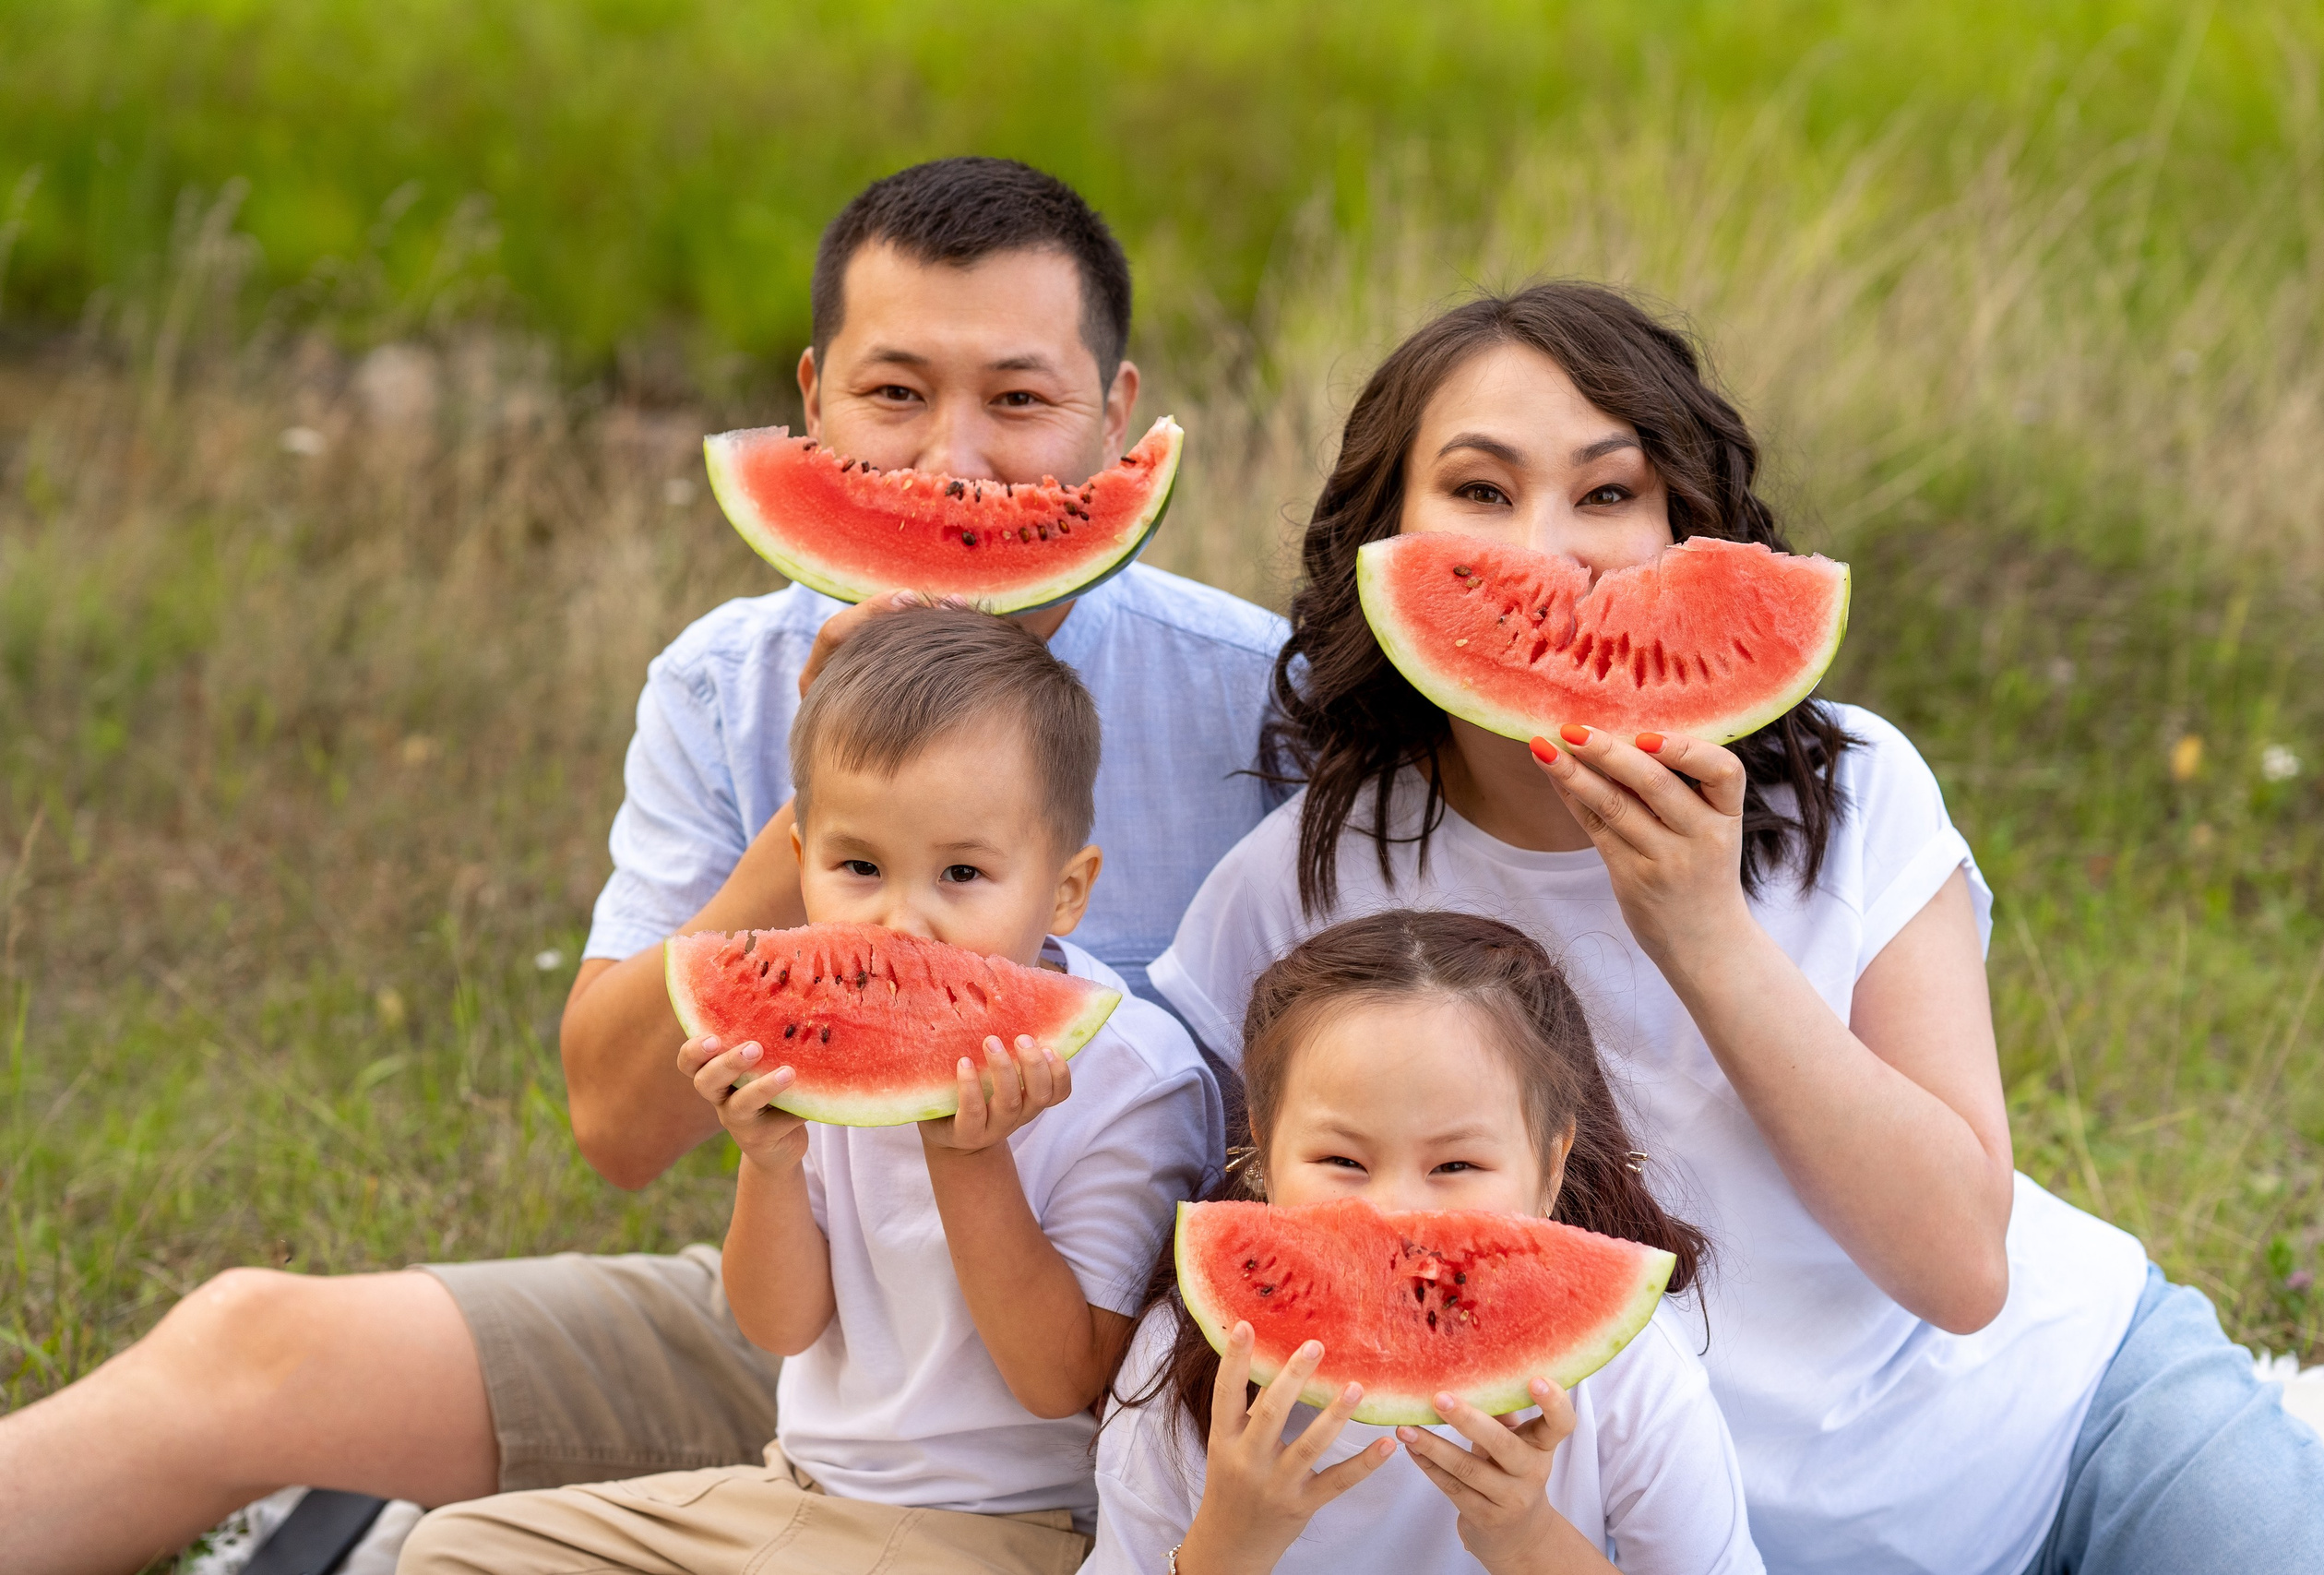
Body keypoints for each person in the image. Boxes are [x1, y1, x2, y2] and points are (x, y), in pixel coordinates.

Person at [0, 158, 1282, 1575]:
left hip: (1137, 1413)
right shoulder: (723, 681)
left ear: (1116, 420)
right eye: (895, 394)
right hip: (826, 1331)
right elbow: (617, 1123)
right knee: (251, 1339)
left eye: (1020, 401)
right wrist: (831, 812)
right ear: (812, 402)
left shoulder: (1254, 700)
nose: (952, 466)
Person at [1147, 282, 2324, 1574]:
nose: (1553, 551)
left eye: (1609, 493)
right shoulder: (1308, 881)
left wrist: (1703, 929)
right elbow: (1208, 1250)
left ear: (1688, 527)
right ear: (1389, 538)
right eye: (1482, 493)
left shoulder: (1853, 786)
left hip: (2077, 1431)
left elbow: (1962, 1266)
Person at [397, 604, 1219, 1575]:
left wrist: (970, 1159)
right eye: (858, 867)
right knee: (453, 1549)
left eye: (962, 873)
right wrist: (771, 1164)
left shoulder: (1135, 1075)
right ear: (800, 864)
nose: (899, 922)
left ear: (1067, 888)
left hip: (1011, 1532)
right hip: (793, 1490)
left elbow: (1060, 1379)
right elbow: (775, 1326)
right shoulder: (818, 1042)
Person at [1093, 909, 1761, 1575]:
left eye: (1455, 1166)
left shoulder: (1631, 1372)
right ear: (1265, 1149)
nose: (1395, 1213)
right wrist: (1224, 1552)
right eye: (1343, 1161)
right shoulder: (1177, 1359)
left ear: (1552, 1165)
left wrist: (1529, 1540)